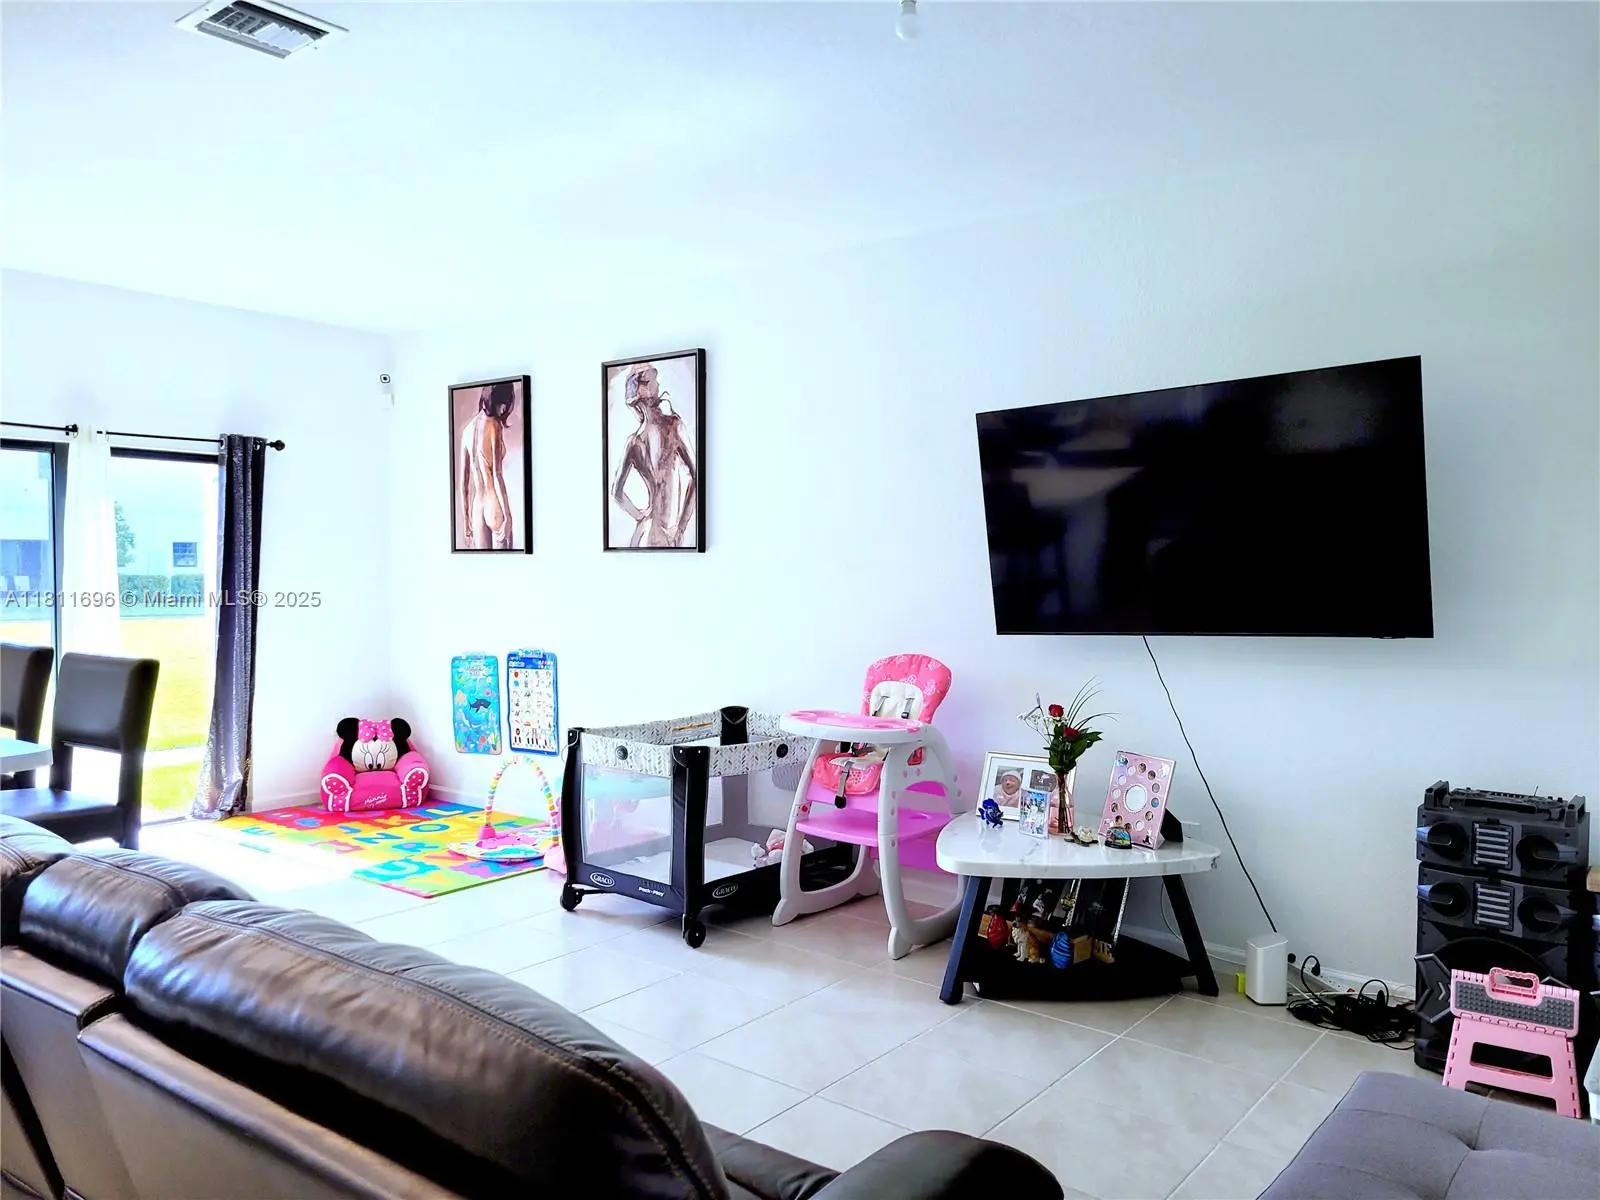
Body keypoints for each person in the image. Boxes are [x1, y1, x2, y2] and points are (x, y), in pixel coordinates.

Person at [611, 363, 697, 548]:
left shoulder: (635, 441)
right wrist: (680, 528)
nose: (657, 384)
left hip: (648, 532)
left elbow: (617, 492)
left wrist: (641, 517)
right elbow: (697, 476)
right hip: (665, 532)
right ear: (641, 390)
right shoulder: (674, 427)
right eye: (652, 380)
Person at [460, 382, 517, 549]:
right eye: (505, 403)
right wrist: (508, 516)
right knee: (509, 563)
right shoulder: (493, 425)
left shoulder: (467, 430)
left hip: (477, 507)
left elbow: (463, 484)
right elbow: (497, 475)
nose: (505, 409)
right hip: (494, 505)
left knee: (483, 562)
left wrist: (466, 519)